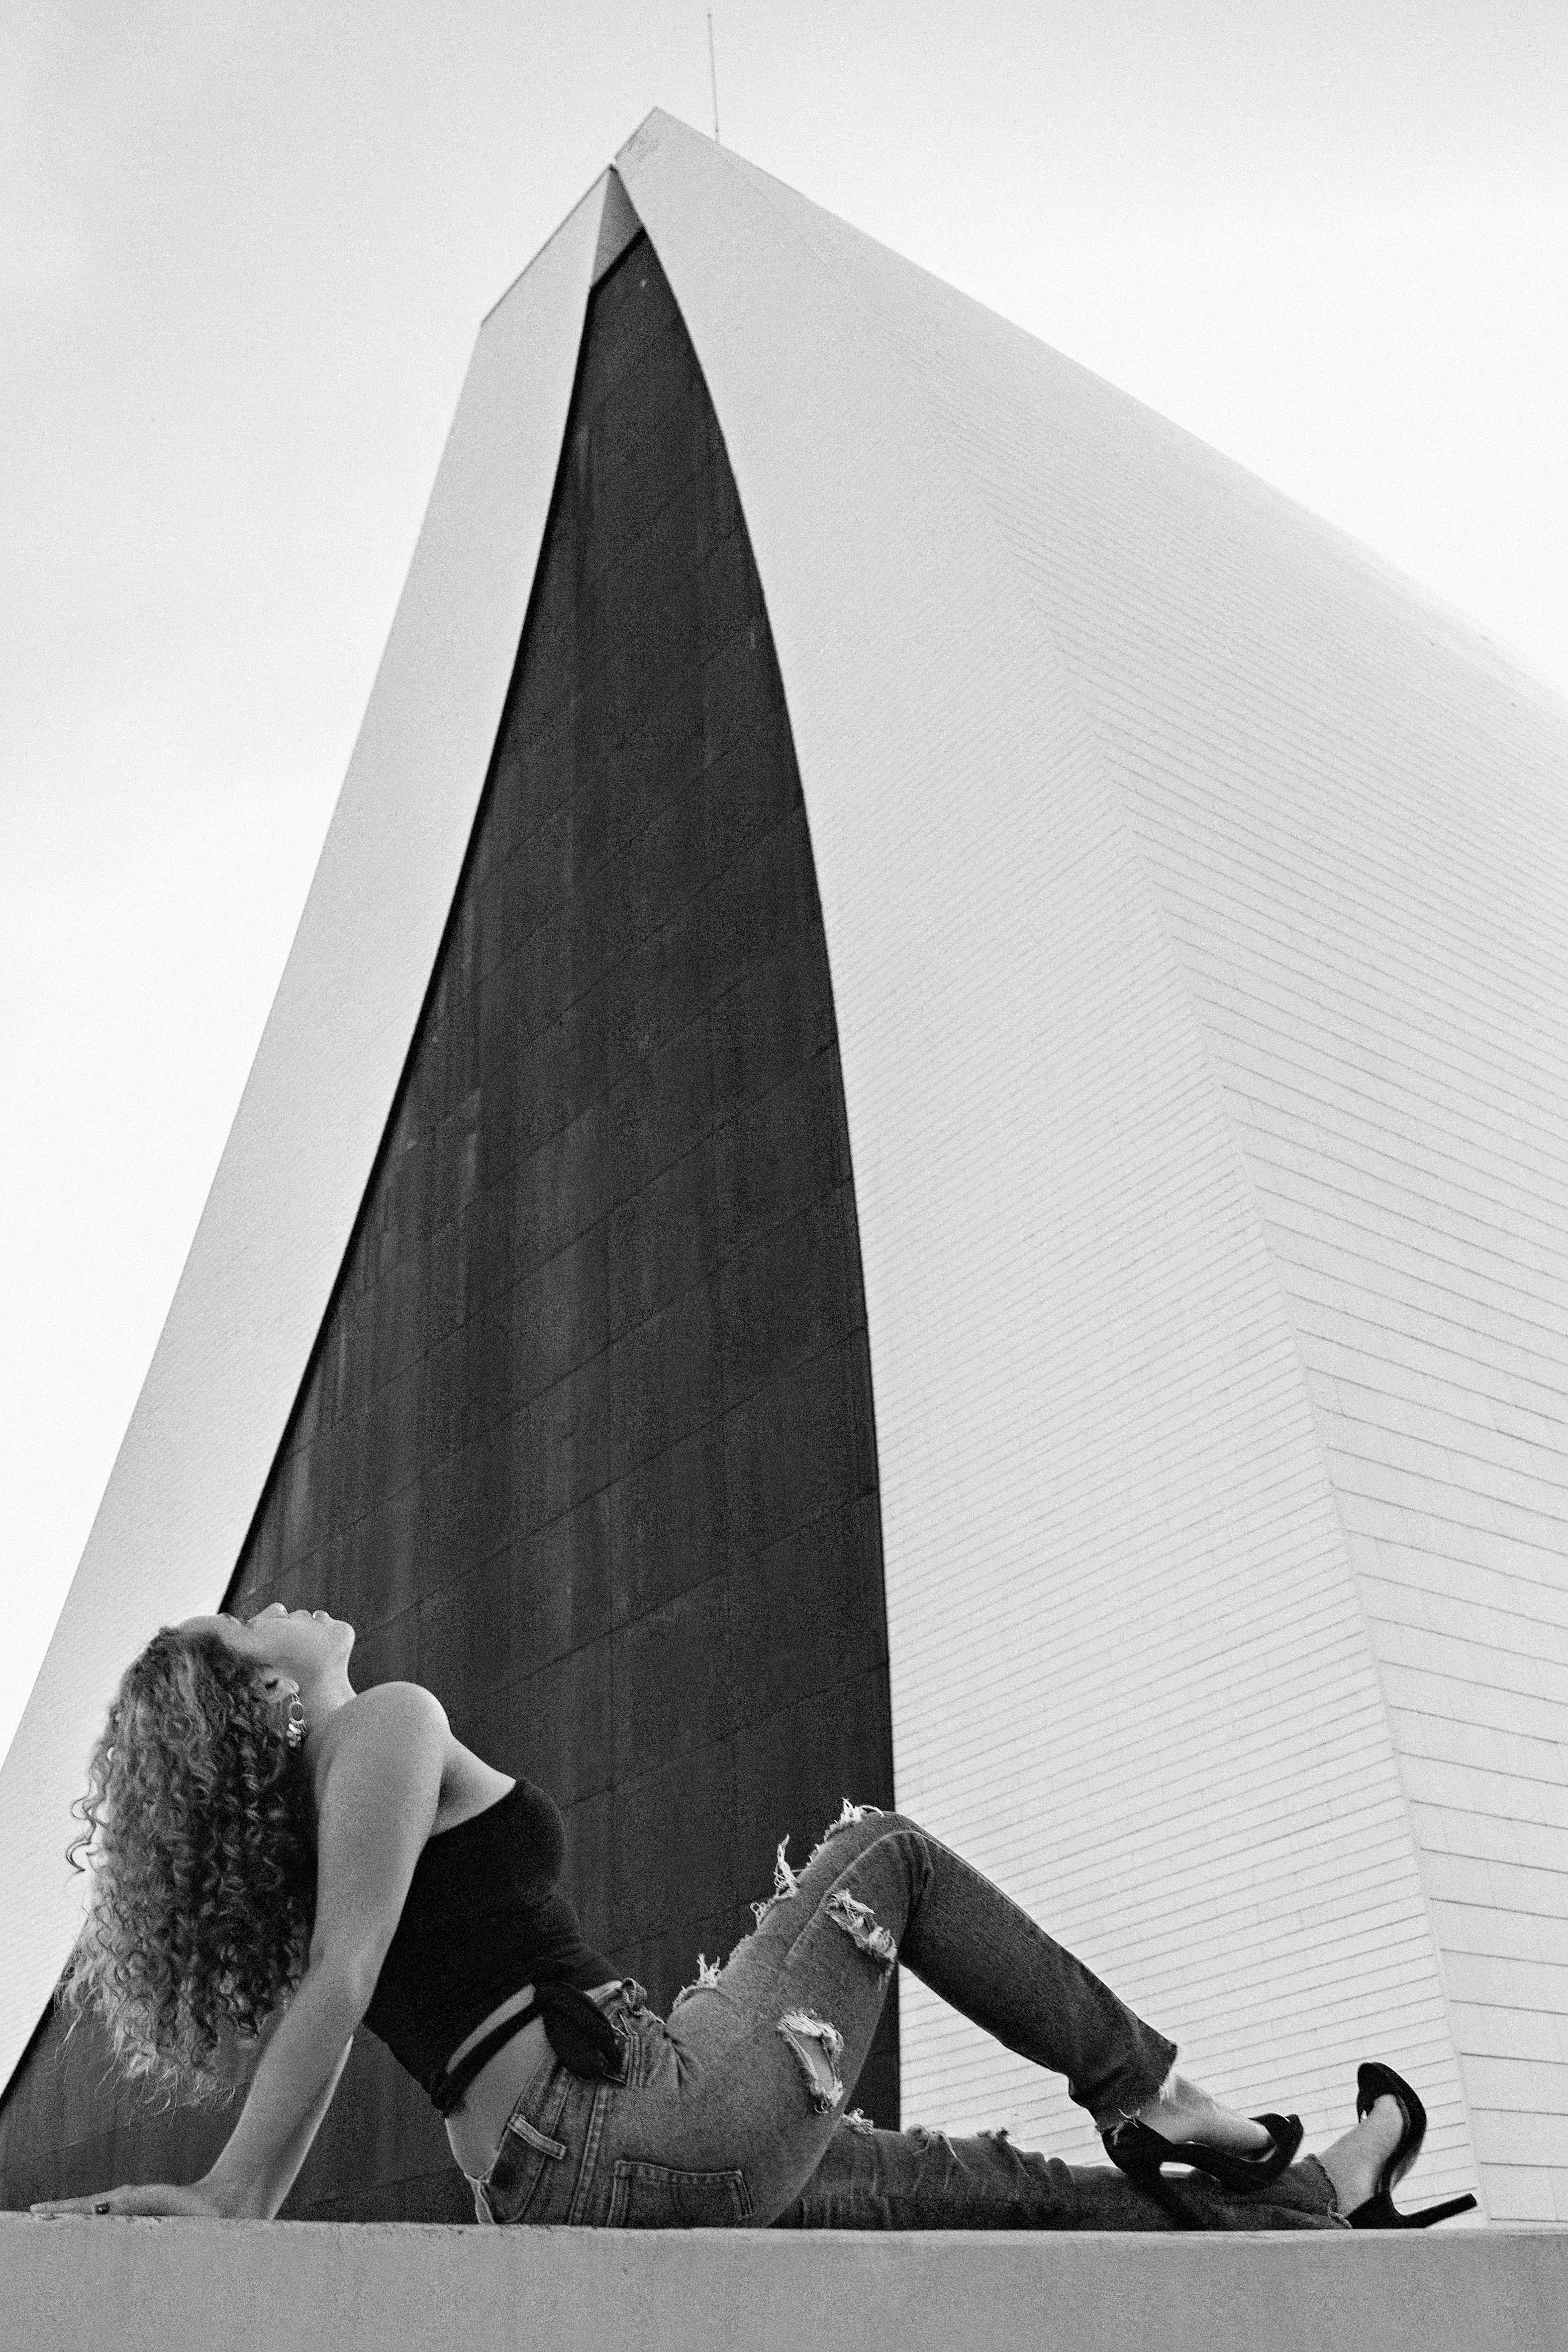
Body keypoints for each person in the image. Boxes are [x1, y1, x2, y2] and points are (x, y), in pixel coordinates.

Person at [32, 1604, 1476, 2232]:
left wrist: (248, 2207)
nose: (282, 1600)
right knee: (882, 1852)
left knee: (982, 2182)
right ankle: (1163, 2093)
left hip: (568, 2171)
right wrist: (229, 2199)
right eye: (250, 1619)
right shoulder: (384, 1731)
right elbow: (342, 1987)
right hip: (643, 2124)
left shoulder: (345, 1823)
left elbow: (338, 2000)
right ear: (263, 1699)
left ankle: (1321, 2195)